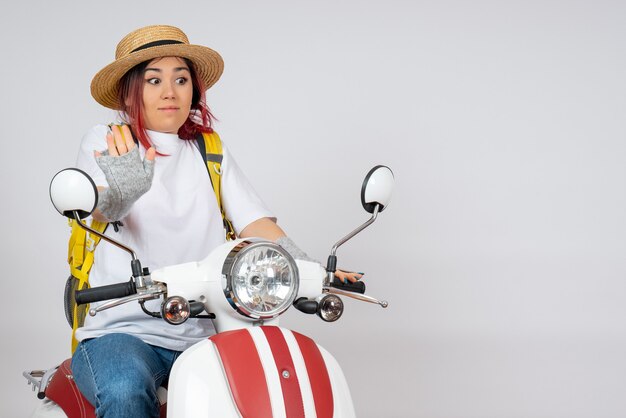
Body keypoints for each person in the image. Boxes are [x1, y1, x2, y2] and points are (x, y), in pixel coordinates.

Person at [70, 24, 361, 417]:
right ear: (129, 91)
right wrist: (124, 191)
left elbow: (254, 223)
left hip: (205, 328)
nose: (169, 91)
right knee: (124, 391)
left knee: (271, 385)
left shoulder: (208, 149)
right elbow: (98, 209)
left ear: (194, 88)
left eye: (180, 79)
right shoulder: (107, 141)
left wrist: (307, 267)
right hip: (124, 330)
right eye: (153, 80)